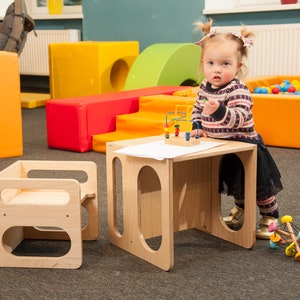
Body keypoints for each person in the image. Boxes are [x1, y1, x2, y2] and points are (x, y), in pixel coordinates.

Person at [191, 18, 283, 239]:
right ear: (203, 63)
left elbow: (240, 118)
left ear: (238, 67)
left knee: (258, 184)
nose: (217, 70)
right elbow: (197, 109)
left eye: (225, 64)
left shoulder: (238, 88)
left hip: (245, 146)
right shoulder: (204, 88)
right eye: (211, 63)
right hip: (222, 147)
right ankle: (241, 211)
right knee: (235, 184)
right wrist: (197, 126)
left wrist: (218, 112)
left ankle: (270, 216)